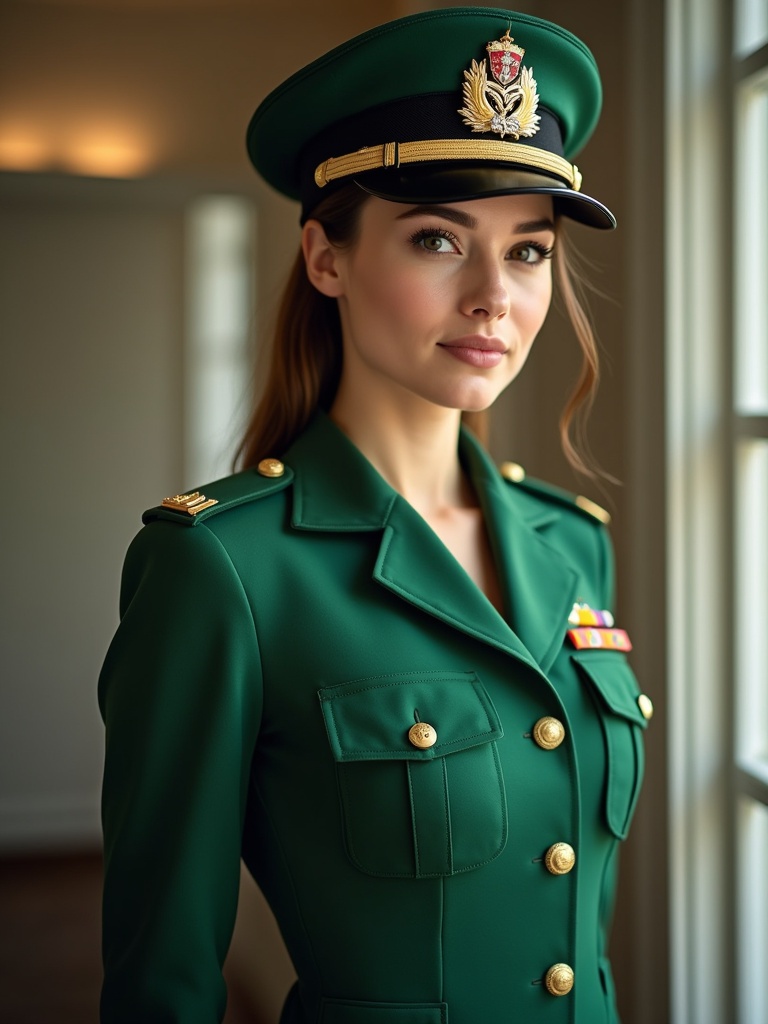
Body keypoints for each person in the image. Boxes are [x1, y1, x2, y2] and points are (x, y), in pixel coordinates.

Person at [99, 7, 653, 1023]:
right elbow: (160, 973)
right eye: (439, 238)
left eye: (528, 252)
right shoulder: (224, 566)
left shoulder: (572, 542)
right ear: (326, 258)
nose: (495, 296)